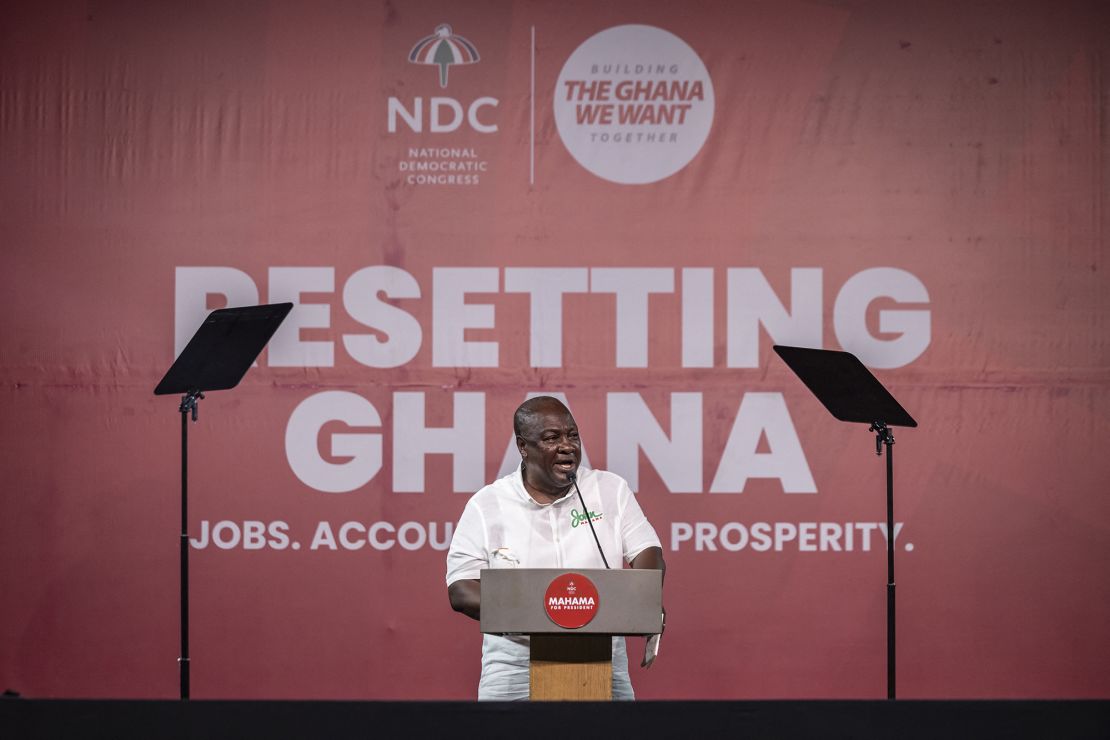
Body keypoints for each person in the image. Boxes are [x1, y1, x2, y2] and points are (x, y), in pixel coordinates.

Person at [445, 396, 665, 700]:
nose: (567, 445)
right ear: (524, 446)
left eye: (572, 435)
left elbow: (648, 552)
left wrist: (643, 595)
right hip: (514, 671)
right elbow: (461, 588)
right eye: (552, 438)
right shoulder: (488, 504)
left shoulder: (609, 490)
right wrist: (547, 610)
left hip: (601, 665)